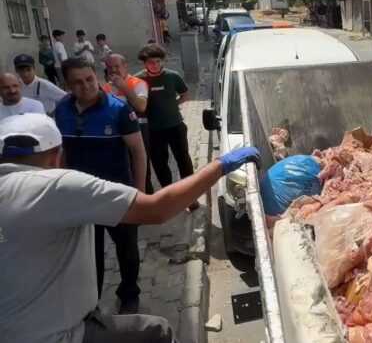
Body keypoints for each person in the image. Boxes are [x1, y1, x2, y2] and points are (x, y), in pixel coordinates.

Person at [0, 113, 260, 342]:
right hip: (52, 335)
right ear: (57, 154)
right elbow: (157, 209)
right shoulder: (54, 186)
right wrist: (221, 165)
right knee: (156, 332)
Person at [55, 57, 147, 314]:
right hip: (79, 197)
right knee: (87, 253)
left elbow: (138, 153)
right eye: (78, 82)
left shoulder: (119, 110)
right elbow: (60, 151)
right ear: (66, 85)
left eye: (90, 79)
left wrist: (140, 194)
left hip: (118, 195)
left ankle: (129, 294)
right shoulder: (61, 110)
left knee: (126, 247)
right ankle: (90, 302)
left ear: (96, 76)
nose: (86, 86)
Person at [135, 44, 199, 211]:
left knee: (183, 160)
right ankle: (168, 197)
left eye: (158, 61)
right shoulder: (139, 80)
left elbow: (185, 94)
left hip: (175, 126)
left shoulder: (172, 76)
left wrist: (174, 105)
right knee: (159, 164)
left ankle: (190, 197)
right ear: (144, 64)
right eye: (151, 62)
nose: (155, 65)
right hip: (153, 130)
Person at [103, 54, 154, 194]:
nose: (113, 70)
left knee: (142, 174)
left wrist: (124, 87)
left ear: (125, 66)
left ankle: (147, 203)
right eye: (109, 67)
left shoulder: (137, 83)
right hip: (115, 135)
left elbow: (141, 106)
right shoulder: (106, 88)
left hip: (138, 132)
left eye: (117, 66)